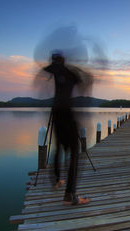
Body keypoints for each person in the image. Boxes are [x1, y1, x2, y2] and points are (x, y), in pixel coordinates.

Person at [43, 52, 90, 205]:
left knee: (58, 147)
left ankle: (56, 180)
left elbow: (48, 70)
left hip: (56, 113)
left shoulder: (54, 71)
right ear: (63, 61)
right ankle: (70, 195)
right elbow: (83, 83)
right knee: (75, 153)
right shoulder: (69, 72)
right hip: (66, 114)